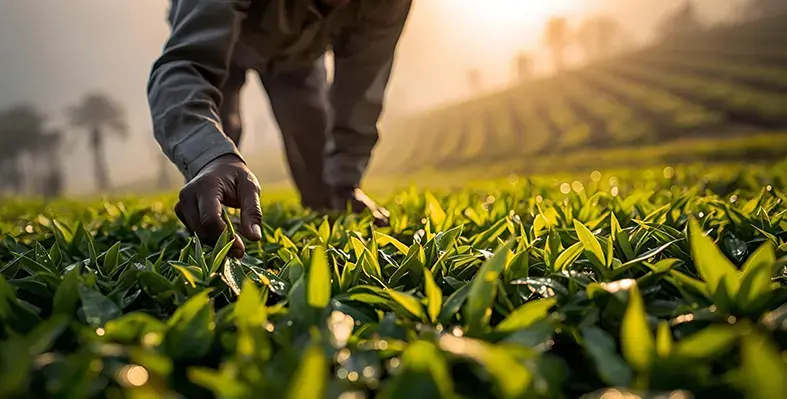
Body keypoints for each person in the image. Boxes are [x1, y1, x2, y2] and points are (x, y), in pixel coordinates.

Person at [148, 0, 412, 257]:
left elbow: (361, 89)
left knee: (324, 188)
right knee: (215, 168)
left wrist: (346, 182)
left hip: (298, 59)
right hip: (218, 34)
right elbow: (186, 68)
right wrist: (208, 156)